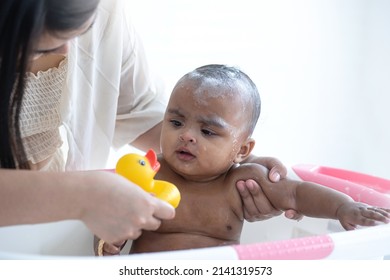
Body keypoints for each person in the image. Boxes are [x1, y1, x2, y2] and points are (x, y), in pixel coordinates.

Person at [0, 0, 292, 248]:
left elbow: (144, 114)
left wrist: (233, 163)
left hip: (49, 234)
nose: (66, 50)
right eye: (38, 45)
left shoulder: (102, 10)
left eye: (82, 29)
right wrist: (83, 194)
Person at [97, 64, 390, 255]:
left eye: (208, 131)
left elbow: (297, 193)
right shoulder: (148, 177)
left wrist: (343, 207)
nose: (187, 136)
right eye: (175, 123)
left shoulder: (240, 182)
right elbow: (104, 221)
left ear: (242, 150)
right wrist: (107, 243)